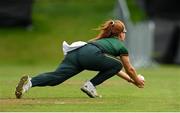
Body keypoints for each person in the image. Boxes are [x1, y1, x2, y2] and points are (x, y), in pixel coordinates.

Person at [15, 19, 145, 99]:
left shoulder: (103, 41)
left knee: (57, 77)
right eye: (124, 33)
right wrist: (137, 80)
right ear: (120, 33)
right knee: (117, 64)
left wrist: (131, 80)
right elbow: (129, 69)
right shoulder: (120, 46)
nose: (125, 35)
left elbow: (111, 67)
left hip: (77, 52)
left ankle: (30, 82)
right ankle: (90, 85)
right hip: (91, 55)